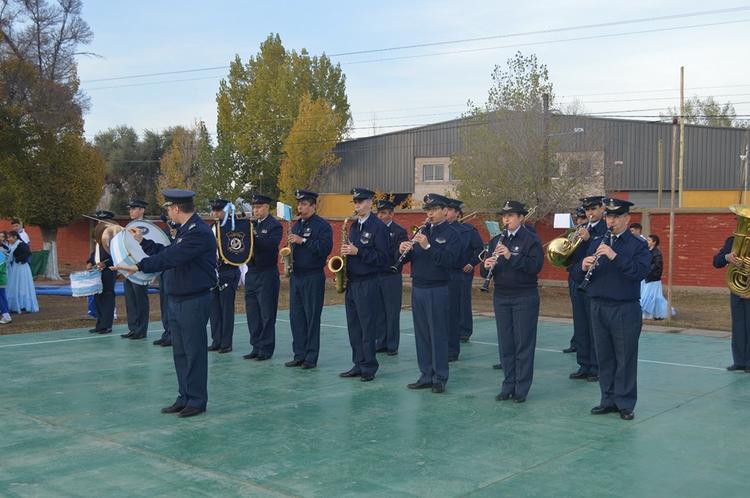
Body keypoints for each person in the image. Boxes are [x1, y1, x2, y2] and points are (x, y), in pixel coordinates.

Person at [113, 189, 217, 418]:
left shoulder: (198, 232)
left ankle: (197, 400)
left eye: (169, 207)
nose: (168, 211)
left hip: (194, 300)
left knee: (194, 352)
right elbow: (169, 251)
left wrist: (140, 265)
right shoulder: (185, 231)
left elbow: (172, 258)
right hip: (178, 299)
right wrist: (143, 241)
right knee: (180, 352)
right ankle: (185, 396)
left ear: (176, 208)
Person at [583, 198, 651, 421]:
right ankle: (608, 399)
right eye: (609, 217)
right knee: (605, 357)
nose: (611, 221)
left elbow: (639, 272)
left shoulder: (637, 245)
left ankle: (625, 403)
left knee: (625, 357)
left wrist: (615, 257)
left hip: (624, 308)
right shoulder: (597, 241)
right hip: (598, 306)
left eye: (616, 217)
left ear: (627, 219)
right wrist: (582, 266)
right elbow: (577, 273)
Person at [482, 201, 543, 403]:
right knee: (506, 343)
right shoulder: (496, 240)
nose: (506, 220)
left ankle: (521, 388)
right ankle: (508, 385)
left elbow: (535, 266)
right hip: (501, 296)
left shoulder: (530, 240)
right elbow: (486, 269)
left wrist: (510, 256)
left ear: (520, 218)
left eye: (510, 216)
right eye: (504, 216)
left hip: (524, 296)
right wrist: (486, 265)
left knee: (523, 343)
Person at [399, 193, 460, 394]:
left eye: (433, 210)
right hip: (419, 288)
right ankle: (426, 375)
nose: (430, 214)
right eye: (428, 210)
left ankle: (440, 377)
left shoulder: (452, 233)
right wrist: (403, 249)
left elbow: (450, 261)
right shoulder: (422, 230)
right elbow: (411, 258)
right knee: (422, 335)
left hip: (438, 288)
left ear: (445, 210)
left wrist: (427, 246)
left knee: (438, 335)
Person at [339, 188, 389, 382]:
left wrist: (358, 252)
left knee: (368, 326)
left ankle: (369, 366)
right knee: (354, 326)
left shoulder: (379, 227)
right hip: (352, 281)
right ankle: (358, 363)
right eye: (355, 202)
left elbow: (384, 259)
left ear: (370, 203)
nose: (357, 205)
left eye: (360, 202)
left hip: (369, 282)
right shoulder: (353, 226)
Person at [285, 190, 333, 369]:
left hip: (313, 276)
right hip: (296, 276)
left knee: (311, 317)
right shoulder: (296, 225)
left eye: (304, 204)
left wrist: (302, 241)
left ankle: (311, 357)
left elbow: (324, 248)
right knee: (296, 316)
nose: (300, 207)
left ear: (313, 206)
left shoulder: (322, 226)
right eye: (299, 204)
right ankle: (299, 354)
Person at [567, 196, 608, 382]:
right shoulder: (582, 229)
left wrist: (588, 239)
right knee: (581, 324)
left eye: (593, 209)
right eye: (587, 210)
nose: (590, 213)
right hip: (578, 281)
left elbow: (601, 254)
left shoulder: (605, 229)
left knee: (594, 327)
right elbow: (573, 258)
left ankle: (596, 366)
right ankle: (583, 364)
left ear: (602, 208)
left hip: (595, 285)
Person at [244, 193, 282, 361]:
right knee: (252, 312)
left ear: (267, 207)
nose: (255, 210)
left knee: (266, 313)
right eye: (254, 207)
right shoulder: (251, 225)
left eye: (258, 207)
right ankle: (256, 345)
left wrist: (253, 236)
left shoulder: (274, 225)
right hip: (252, 272)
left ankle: (266, 348)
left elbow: (270, 245)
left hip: (267, 273)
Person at [713, 233, 750, 373]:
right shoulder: (732, 241)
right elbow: (716, 262)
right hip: (737, 289)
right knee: (738, 327)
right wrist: (726, 257)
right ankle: (739, 361)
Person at [375, 199, 408, 355]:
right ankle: (380, 342)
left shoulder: (399, 231)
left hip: (391, 276)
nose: (380, 216)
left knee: (392, 311)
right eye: (379, 213)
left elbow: (399, 255)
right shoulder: (374, 229)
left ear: (391, 214)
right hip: (376, 275)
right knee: (379, 311)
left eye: (384, 213)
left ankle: (392, 345)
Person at [208, 199, 241, 354]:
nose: (215, 213)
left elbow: (235, 247)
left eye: (218, 211)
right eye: (214, 211)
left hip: (228, 270)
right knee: (214, 309)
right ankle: (216, 340)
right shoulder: (212, 227)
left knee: (226, 309)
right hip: (214, 271)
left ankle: (226, 342)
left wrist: (217, 243)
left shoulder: (232, 227)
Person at [452, 200, 484, 344]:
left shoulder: (469, 231)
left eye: (450, 210)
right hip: (446, 272)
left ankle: (464, 331)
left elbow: (480, 250)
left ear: (458, 214)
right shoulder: (440, 230)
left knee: (463, 301)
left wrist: (472, 263)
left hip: (463, 272)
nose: (446, 213)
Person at [121, 199, 150, 340]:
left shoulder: (148, 227)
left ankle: (141, 330)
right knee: (130, 300)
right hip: (129, 267)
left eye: (134, 209)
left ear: (142, 210)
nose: (131, 211)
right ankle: (132, 328)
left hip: (141, 267)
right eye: (130, 209)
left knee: (140, 300)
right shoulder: (128, 227)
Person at [562, 206, 589, 354]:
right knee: (577, 314)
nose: (579, 222)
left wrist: (586, 240)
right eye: (577, 219)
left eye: (582, 219)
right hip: (573, 276)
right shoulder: (573, 234)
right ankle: (576, 342)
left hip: (586, 279)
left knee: (586, 315)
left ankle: (583, 345)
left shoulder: (590, 235)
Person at [87, 211, 116, 334]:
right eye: (98, 221)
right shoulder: (99, 235)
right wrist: (89, 261)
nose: (99, 223)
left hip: (108, 271)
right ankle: (99, 323)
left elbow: (116, 254)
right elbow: (96, 252)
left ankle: (107, 325)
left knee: (107, 297)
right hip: (97, 270)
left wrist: (106, 263)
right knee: (97, 296)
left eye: (102, 222)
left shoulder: (114, 235)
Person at [153, 215, 179, 347]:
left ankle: (173, 335)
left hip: (176, 273)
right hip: (164, 271)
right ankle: (167, 332)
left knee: (172, 305)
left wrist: (176, 236)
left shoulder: (185, 229)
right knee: (164, 304)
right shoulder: (164, 231)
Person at [640, 235, 674, 320]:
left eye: (649, 240)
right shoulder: (647, 251)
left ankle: (649, 314)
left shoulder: (657, 253)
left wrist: (648, 271)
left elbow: (657, 266)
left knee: (649, 297)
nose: (647, 241)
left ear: (654, 242)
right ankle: (648, 313)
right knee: (648, 296)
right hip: (646, 278)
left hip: (653, 279)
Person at [6, 230, 39, 313]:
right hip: (16, 267)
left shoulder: (21, 244)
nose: (9, 239)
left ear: (15, 237)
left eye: (10, 237)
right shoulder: (13, 245)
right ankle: (18, 304)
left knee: (23, 284)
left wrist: (18, 259)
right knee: (16, 285)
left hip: (22, 267)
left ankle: (24, 304)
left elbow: (27, 253)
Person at [0, 233, 10, 324]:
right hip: (2, 278)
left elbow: (0, 267)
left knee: (1, 297)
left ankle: (6, 316)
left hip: (0, 278)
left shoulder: (1, 252)